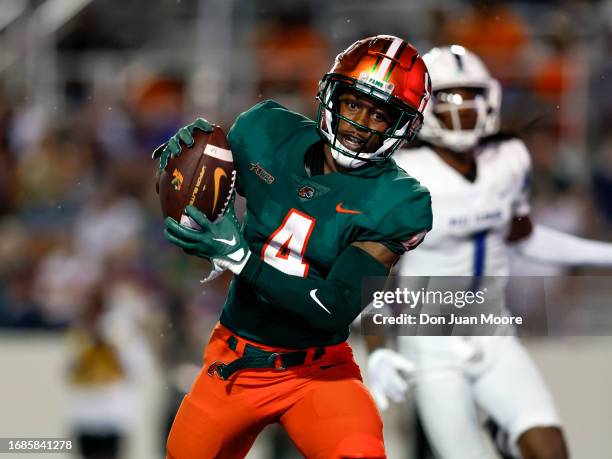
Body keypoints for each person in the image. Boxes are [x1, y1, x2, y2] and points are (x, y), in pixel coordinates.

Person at [153, 35, 432, 459]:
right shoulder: (265, 132)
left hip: (318, 371)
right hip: (236, 358)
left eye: (379, 115)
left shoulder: (398, 201)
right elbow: (195, 216)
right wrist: (180, 172)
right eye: (354, 104)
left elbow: (337, 305)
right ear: (330, 95)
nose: (359, 123)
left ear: (402, 126)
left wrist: (242, 259)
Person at [366, 45, 612, 459]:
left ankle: (503, 434)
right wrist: (378, 349)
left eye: (471, 97)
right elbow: (374, 269)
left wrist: (607, 254)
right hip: (430, 342)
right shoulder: (402, 173)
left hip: (493, 328)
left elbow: (526, 239)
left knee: (551, 449)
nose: (464, 110)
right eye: (450, 99)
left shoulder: (509, 159)